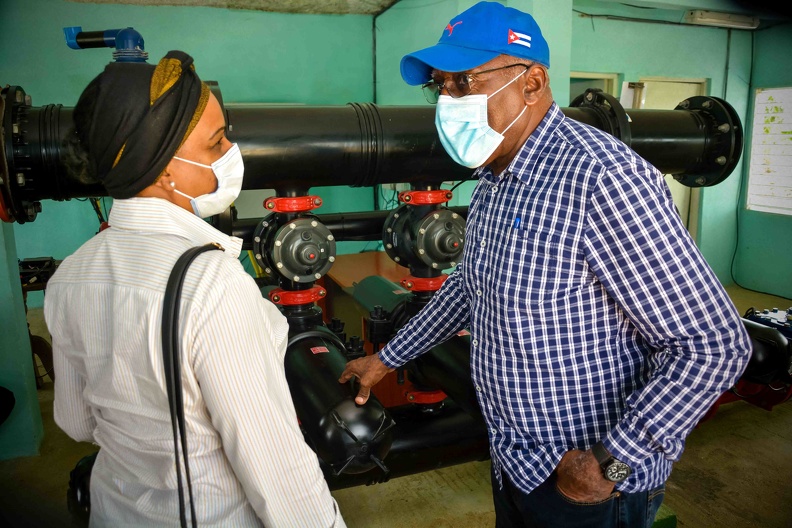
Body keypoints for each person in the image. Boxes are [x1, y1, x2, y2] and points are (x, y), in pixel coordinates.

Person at [339, 2, 751, 527]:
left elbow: (713, 344)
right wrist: (387, 359)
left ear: (531, 82)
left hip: (587, 489)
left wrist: (608, 463)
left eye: (463, 82)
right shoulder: (494, 179)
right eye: (439, 87)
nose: (447, 102)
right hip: (515, 461)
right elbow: (470, 289)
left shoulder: (603, 178)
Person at [45, 50, 345, 527]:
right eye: (215, 143)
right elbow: (272, 460)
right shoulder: (210, 284)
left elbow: (77, 422)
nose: (230, 154)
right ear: (164, 170)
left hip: (114, 510)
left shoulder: (70, 276)